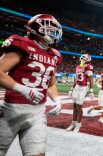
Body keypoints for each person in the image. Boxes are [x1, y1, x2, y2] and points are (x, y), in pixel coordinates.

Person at [0, 14, 63, 156]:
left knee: (38, 153)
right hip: (12, 109)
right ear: (36, 28)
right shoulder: (22, 44)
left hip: (37, 112)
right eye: (50, 27)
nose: (53, 31)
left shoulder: (54, 55)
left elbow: (51, 84)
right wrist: (22, 89)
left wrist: (57, 100)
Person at [66, 54, 94, 132]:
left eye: (85, 59)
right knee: (74, 106)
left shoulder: (88, 67)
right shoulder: (78, 67)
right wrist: (71, 89)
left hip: (83, 88)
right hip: (77, 87)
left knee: (79, 106)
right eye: (82, 58)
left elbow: (91, 79)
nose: (83, 60)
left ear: (88, 60)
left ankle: (78, 124)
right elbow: (76, 79)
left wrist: (91, 90)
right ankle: (73, 123)